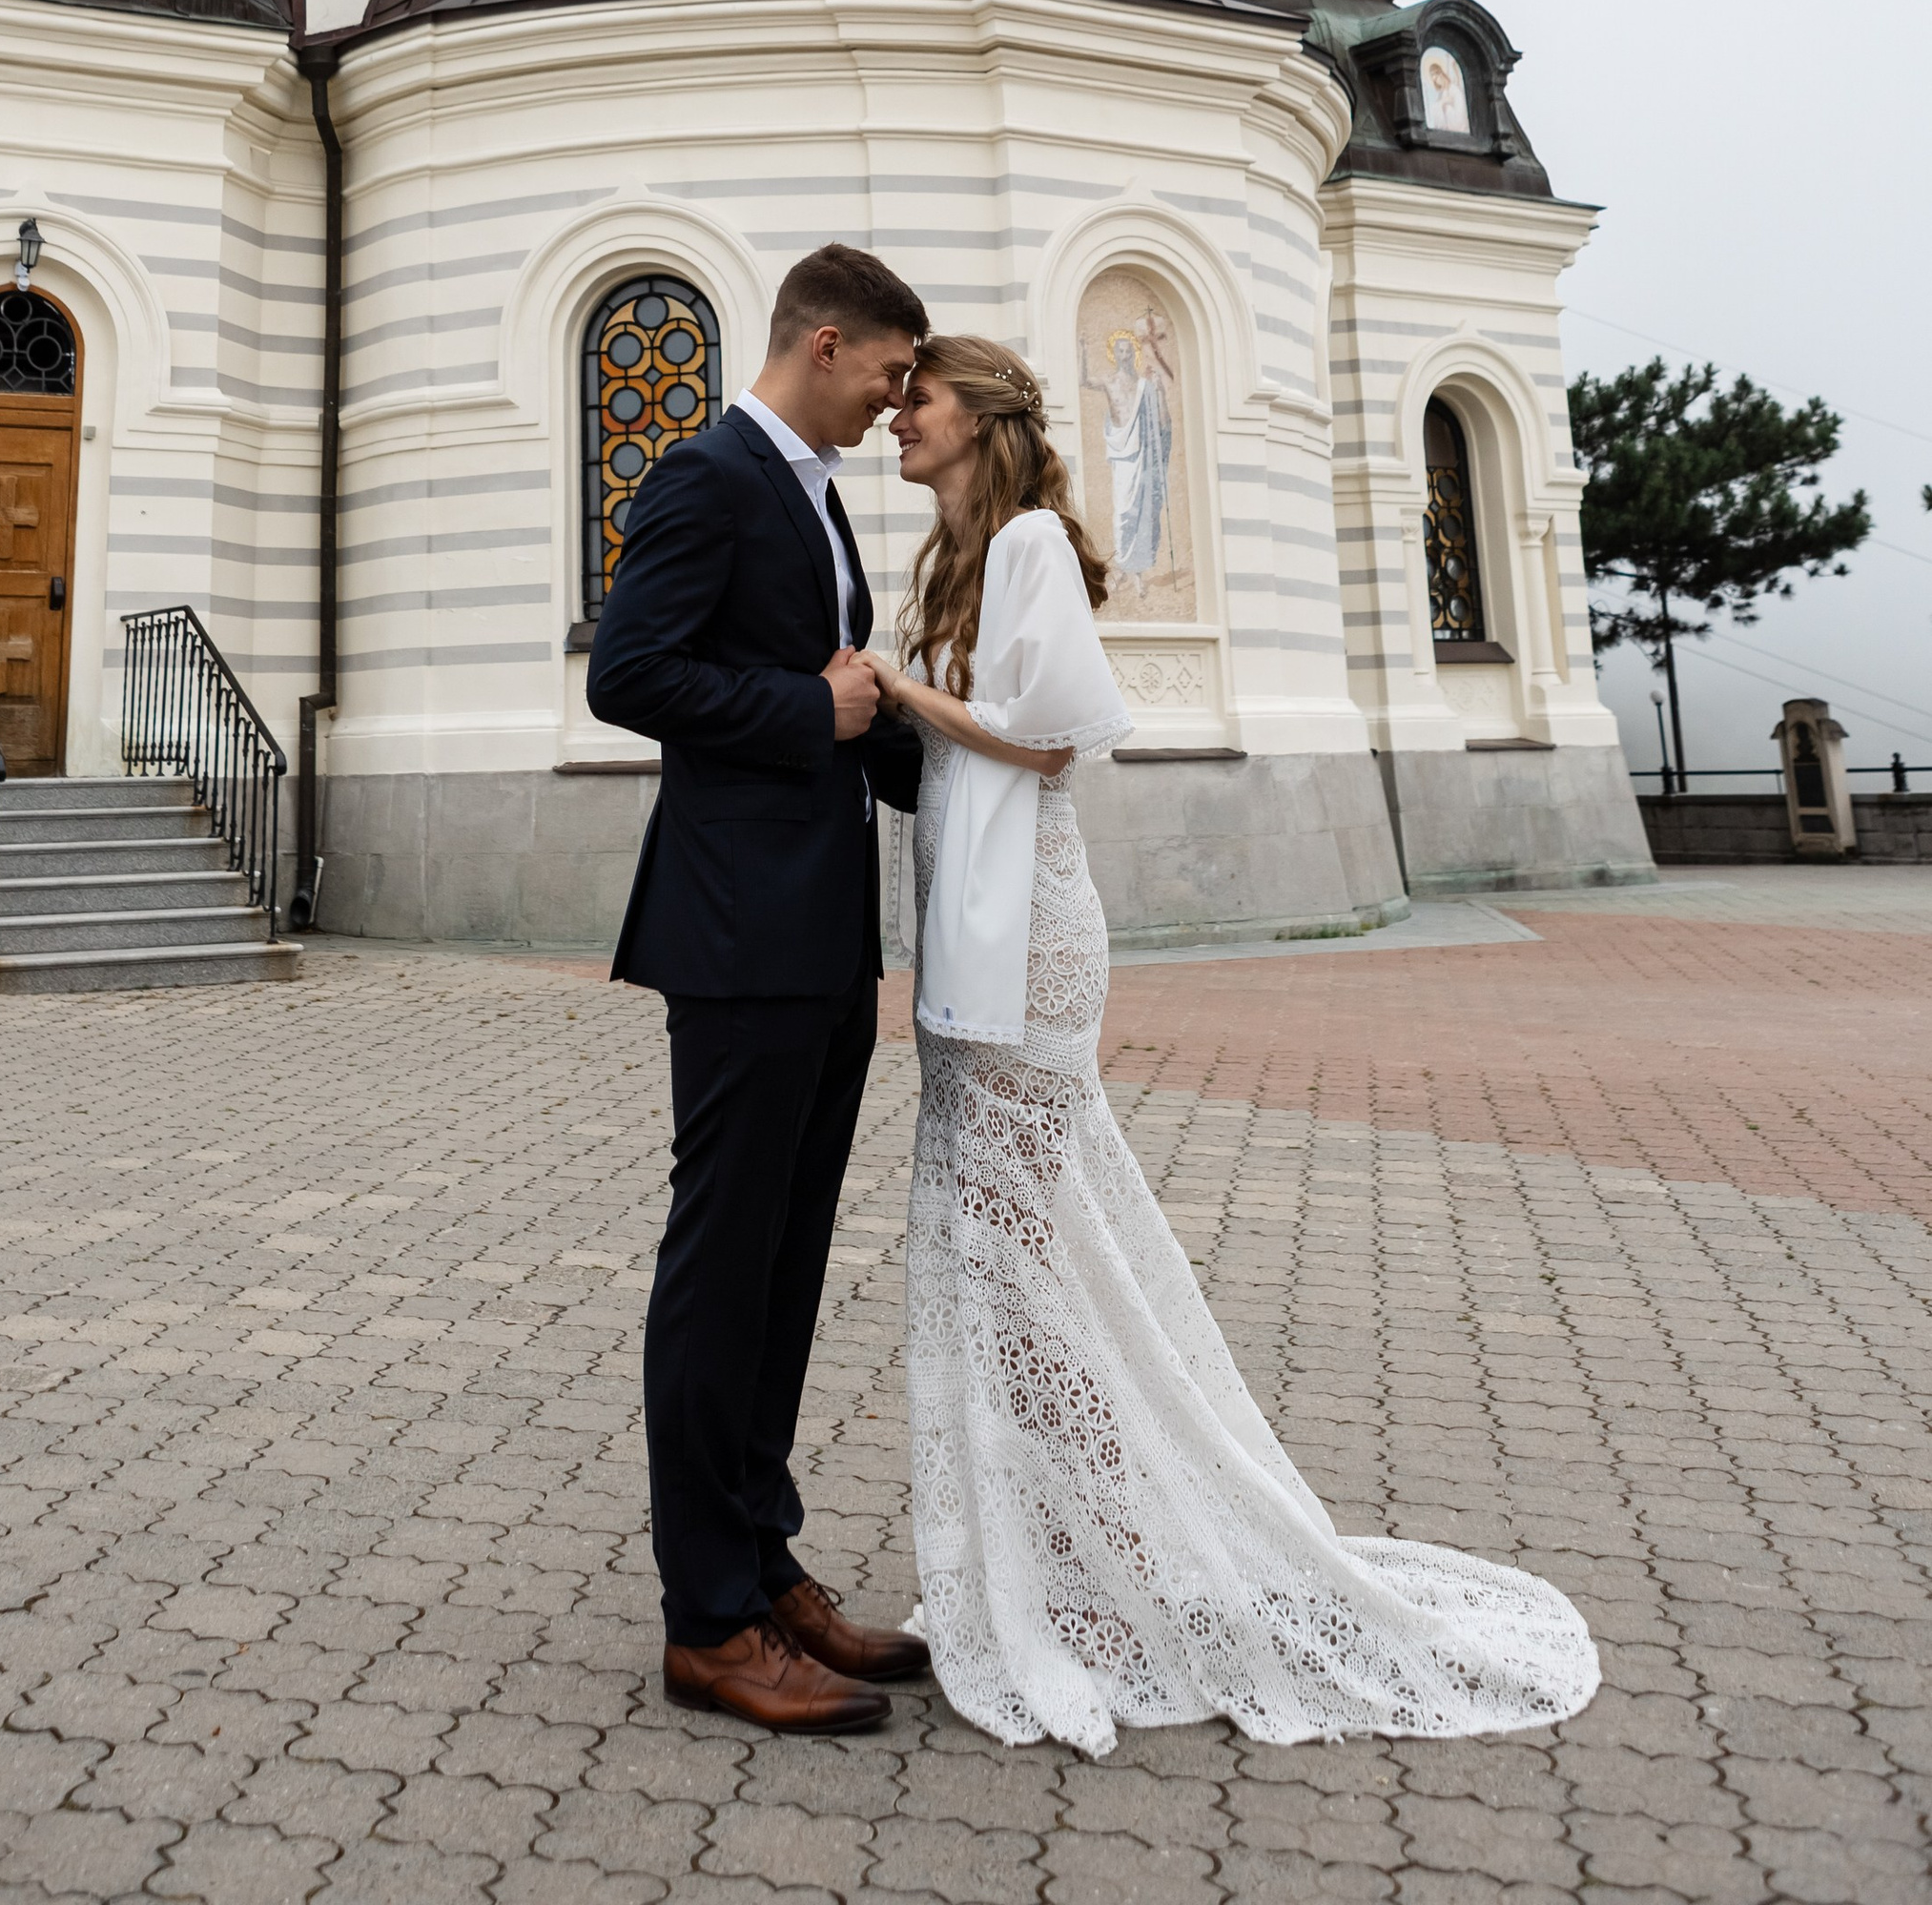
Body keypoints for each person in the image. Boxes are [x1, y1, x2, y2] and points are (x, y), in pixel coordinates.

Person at [872, 334, 1602, 1754]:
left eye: (921, 398)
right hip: (972, 929)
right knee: (1008, 1248)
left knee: (1030, 1239)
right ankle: (1077, 1541)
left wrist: (895, 691)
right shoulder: (958, 555)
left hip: (1025, 937)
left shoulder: (1022, 541)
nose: (900, 418)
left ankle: (1130, 1543)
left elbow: (1058, 734)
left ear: (986, 418)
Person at [587, 242, 935, 1734]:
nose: (900, 400)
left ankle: (766, 1558)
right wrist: (810, 707)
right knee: (723, 1263)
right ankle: (706, 1619)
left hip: (820, 932)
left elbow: (856, 695)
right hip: (735, 934)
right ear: (826, 342)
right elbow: (629, 674)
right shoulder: (707, 473)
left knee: (789, 1261)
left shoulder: (817, 493)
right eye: (892, 373)